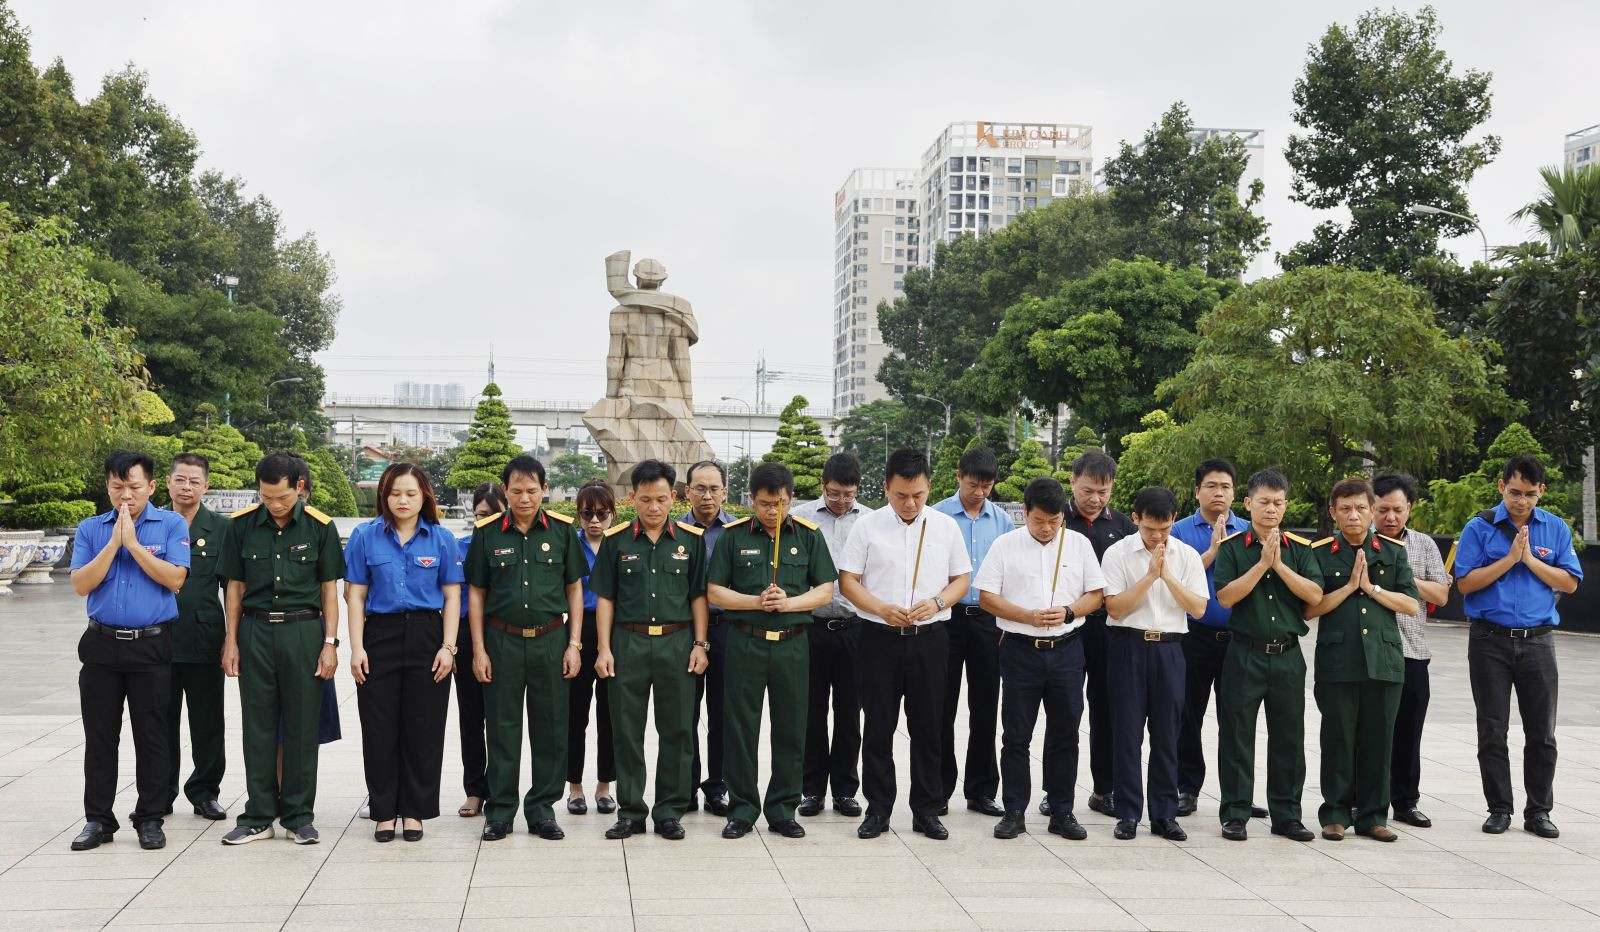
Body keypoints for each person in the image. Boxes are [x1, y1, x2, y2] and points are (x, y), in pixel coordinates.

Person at [838, 449, 972, 841]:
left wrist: (938, 602)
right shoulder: (867, 526)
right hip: (879, 639)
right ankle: (878, 809)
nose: (910, 503)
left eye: (918, 494)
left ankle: (927, 809)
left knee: (929, 726)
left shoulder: (946, 527)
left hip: (930, 640)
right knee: (878, 726)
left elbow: (961, 579)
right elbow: (849, 581)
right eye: (901, 495)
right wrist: (881, 608)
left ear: (929, 487)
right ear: (886, 489)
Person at [218, 453, 344, 845]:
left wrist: (330, 644)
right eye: (267, 497)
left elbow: (329, 591)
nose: (274, 505)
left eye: (282, 498)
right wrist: (231, 640)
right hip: (255, 632)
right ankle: (258, 815)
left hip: (304, 633)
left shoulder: (320, 527)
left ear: (299, 488)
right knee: (258, 726)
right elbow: (234, 588)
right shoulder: (240, 527)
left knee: (303, 727)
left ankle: (298, 816)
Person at [1454, 454, 1582, 839]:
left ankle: (1539, 811)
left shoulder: (1555, 529)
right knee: (1492, 729)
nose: (1520, 501)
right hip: (1489, 640)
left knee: (1542, 732)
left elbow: (1570, 582)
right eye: (1513, 492)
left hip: (1538, 642)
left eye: (1529, 493)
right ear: (1501, 488)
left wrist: (1528, 559)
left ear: (1541, 491)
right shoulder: (1480, 527)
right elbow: (1465, 584)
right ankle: (1499, 808)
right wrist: (1510, 559)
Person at [68, 451, 191, 852]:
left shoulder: (171, 524)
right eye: (117, 487)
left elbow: (175, 578)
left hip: (151, 644)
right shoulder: (90, 529)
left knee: (152, 735)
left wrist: (134, 545)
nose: (126, 495)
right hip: (101, 645)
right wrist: (114, 544)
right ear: (107, 486)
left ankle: (150, 817)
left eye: (134, 487)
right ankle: (98, 820)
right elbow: (81, 584)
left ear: (152, 487)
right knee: (100, 736)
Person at [708, 462, 838, 839]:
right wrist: (755, 601)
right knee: (740, 728)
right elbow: (715, 590)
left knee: (791, 728)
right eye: (765, 503)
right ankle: (743, 808)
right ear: (751, 499)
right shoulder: (733, 536)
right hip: (746, 641)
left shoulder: (808, 536)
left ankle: (783, 808)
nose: (772, 511)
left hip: (793, 644)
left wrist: (789, 603)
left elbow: (825, 589)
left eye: (780, 503)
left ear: (791, 498)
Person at [974, 477, 1102, 841]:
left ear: (1063, 514)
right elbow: (987, 597)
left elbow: (1096, 594)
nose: (1047, 528)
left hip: (1066, 650)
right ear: (1025, 513)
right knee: (1016, 735)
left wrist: (1069, 611)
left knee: (1065, 733)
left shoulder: (1078, 544)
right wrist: (1025, 616)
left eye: (1054, 520)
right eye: (1039, 520)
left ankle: (1062, 809)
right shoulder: (1005, 545)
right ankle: (1014, 809)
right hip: (1019, 650)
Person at [465, 455, 585, 842]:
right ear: (505, 491)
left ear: (544, 490)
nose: (525, 497)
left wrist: (574, 644)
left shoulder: (564, 532)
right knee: (502, 727)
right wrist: (479, 649)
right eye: (516, 490)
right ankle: (500, 811)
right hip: (501, 640)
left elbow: (574, 590)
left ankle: (542, 809)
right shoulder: (488, 534)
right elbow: (477, 594)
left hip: (551, 638)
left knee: (551, 727)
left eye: (532, 490)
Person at [592, 459, 711, 840]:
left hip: (678, 643)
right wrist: (604, 648)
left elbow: (699, 597)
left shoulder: (690, 541)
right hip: (628, 642)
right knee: (626, 729)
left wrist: (700, 644)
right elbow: (606, 599)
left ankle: (669, 811)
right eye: (646, 499)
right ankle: (630, 810)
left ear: (674, 498)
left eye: (661, 499)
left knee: (677, 729)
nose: (654, 507)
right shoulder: (616, 541)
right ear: (632, 499)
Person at [344, 463, 464, 842]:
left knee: (423, 728)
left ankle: (414, 811)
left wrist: (448, 647)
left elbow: (452, 594)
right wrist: (356, 647)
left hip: (428, 636)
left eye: (411, 493)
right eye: (395, 493)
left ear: (424, 496)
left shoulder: (441, 538)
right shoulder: (365, 536)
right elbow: (356, 595)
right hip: (379, 635)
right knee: (379, 728)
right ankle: (384, 811)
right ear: (384, 495)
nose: (403, 500)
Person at [1212, 468, 1323, 842]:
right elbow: (1225, 597)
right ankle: (1235, 812)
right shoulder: (1231, 549)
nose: (1271, 509)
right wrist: (1261, 565)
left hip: (1289, 655)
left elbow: (1315, 595)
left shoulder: (1302, 550)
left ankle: (1287, 815)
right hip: (1245, 652)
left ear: (1286, 505)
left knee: (1289, 739)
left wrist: (1278, 566)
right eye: (1263, 502)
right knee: (1237, 736)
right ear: (1248, 504)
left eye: (1278, 502)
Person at [1306, 477, 1418, 843]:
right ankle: (1335, 814)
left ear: (1372, 511)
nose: (1353, 516)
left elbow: (1411, 604)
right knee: (1337, 739)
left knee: (1379, 741)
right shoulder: (1319, 552)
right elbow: (1310, 609)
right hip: (1338, 661)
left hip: (1384, 662)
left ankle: (1373, 816)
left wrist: (1372, 588)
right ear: (1332, 513)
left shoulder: (1393, 551)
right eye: (1345, 509)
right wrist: (1348, 588)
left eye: (1360, 508)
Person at [1101, 487, 1208, 841]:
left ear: (1174, 519)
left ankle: (1164, 813)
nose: (1157, 536)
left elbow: (1198, 608)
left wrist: (1167, 576)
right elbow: (1115, 608)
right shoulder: (1117, 554)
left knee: (1167, 735)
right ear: (1136, 519)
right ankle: (1128, 812)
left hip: (1171, 650)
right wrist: (1149, 576)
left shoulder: (1188, 556)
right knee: (1127, 733)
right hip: (1128, 646)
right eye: (1150, 529)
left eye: (1164, 528)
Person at [1168, 460, 1265, 820]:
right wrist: (1211, 551)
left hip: (1239, 638)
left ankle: (1237, 794)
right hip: (1192, 636)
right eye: (1211, 486)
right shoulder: (1178, 531)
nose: (1219, 492)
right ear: (1197, 491)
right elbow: (1172, 579)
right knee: (1187, 715)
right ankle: (1186, 788)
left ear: (1235, 492)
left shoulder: (1250, 529)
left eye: (1225, 486)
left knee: (1237, 719)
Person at [1045, 450, 1134, 819]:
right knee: (1062, 712)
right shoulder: (1054, 521)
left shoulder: (1124, 526)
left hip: (1108, 630)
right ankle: (1056, 791)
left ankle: (1104, 789)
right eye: (1087, 490)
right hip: (1065, 629)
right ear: (1072, 482)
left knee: (1106, 710)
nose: (1095, 499)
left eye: (1103, 491)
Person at [930, 446, 1009, 818]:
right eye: (974, 484)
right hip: (947, 617)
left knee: (985, 706)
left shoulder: (1002, 521)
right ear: (958, 476)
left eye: (987, 485)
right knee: (941, 706)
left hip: (987, 620)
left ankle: (981, 790)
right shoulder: (939, 516)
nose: (980, 492)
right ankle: (939, 788)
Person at [1371, 472, 1451, 829]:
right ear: (1371, 508)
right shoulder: (1359, 542)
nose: (1391, 517)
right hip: (1369, 652)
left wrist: (1404, 577)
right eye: (1383, 509)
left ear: (1409, 509)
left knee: (1408, 731)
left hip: (1412, 651)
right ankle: (1365, 800)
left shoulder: (1423, 545)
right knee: (1369, 732)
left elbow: (1442, 594)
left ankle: (1405, 801)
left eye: (1397, 510)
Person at [795, 452, 870, 818]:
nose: (842, 500)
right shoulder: (801, 518)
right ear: (823, 485)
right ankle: (811, 789)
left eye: (849, 494)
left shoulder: (871, 521)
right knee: (810, 711)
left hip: (855, 631)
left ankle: (844, 789)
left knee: (849, 713)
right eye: (836, 493)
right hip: (811, 628)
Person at [164, 452, 230, 822]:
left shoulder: (221, 529)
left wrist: (231, 639)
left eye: (194, 481)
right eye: (180, 480)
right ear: (169, 483)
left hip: (204, 639)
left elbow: (231, 590)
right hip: (157, 638)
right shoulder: (151, 522)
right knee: (160, 719)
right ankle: (161, 791)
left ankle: (205, 792)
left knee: (207, 721)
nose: (187, 487)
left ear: (206, 486)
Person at [682, 460, 737, 816]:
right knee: (683, 713)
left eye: (713, 489)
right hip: (684, 633)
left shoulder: (738, 531)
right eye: (699, 488)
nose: (707, 496)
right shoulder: (673, 532)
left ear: (725, 492)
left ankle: (717, 787)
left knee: (723, 714)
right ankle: (685, 787)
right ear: (686, 492)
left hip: (728, 630)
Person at [566, 478, 617, 816]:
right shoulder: (569, 544)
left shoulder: (623, 544)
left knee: (610, 714)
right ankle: (574, 787)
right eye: (587, 514)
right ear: (578, 515)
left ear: (613, 513)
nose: (595, 521)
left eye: (601, 513)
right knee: (575, 713)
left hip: (616, 632)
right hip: (579, 629)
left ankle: (604, 786)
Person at [454, 482, 505, 819]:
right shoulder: (460, 548)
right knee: (471, 716)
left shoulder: (515, 546)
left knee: (503, 719)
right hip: (464, 634)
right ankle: (475, 789)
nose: (485, 522)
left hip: (503, 633)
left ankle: (501, 788)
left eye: (493, 515)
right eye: (480, 516)